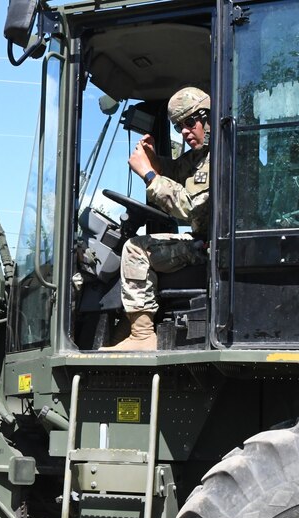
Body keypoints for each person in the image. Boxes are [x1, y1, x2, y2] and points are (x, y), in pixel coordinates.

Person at [103, 86, 211, 351]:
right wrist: (155, 162)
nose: (184, 132)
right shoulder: (203, 156)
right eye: (178, 127)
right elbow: (177, 168)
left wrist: (149, 175)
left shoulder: (218, 157)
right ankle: (125, 330)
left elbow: (190, 208)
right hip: (206, 241)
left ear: (206, 117)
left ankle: (142, 336)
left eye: (188, 122)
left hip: (210, 248)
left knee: (135, 249)